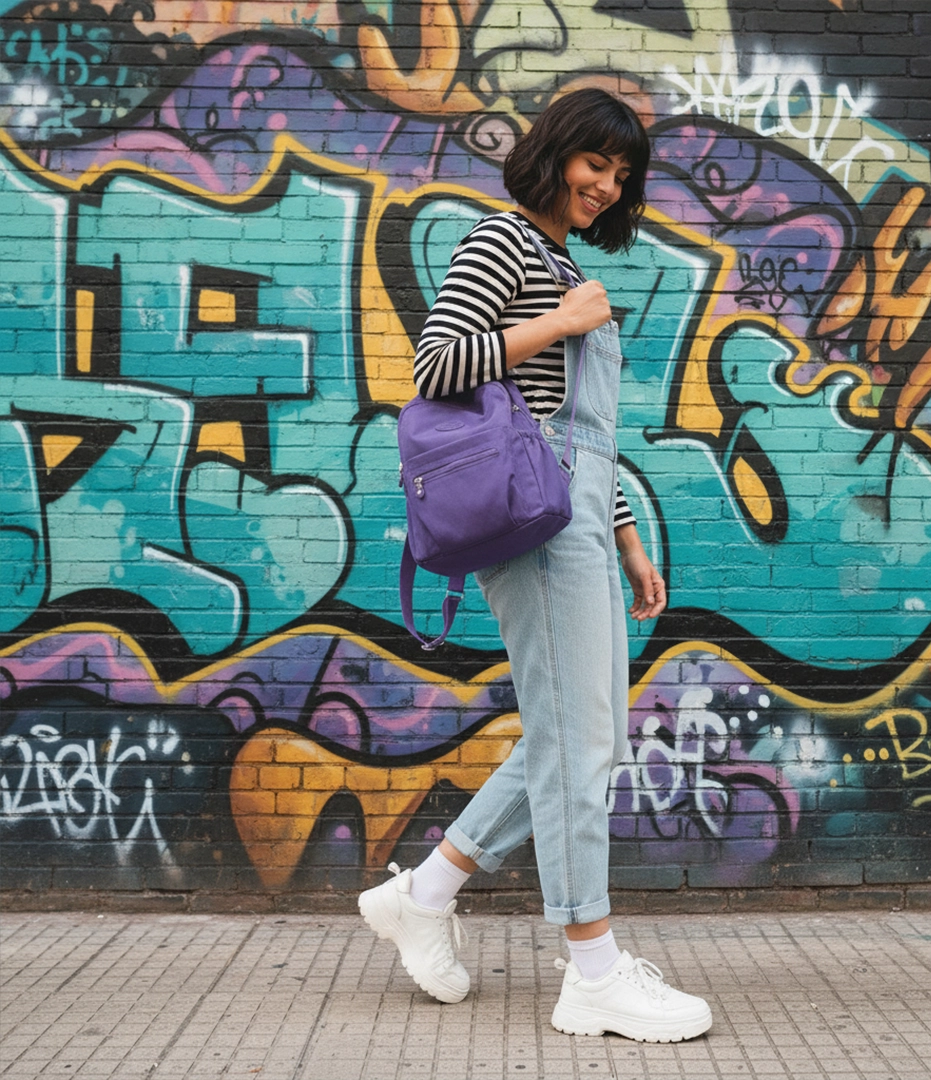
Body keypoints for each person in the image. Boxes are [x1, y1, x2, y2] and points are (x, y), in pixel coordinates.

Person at [359, 87, 712, 1043]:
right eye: (595, 163)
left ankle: (422, 896)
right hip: (541, 525)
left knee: (578, 736)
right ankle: (591, 967)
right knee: (575, 741)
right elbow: (438, 363)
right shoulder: (502, 239)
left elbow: (571, 429)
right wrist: (561, 321)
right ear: (556, 152)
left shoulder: (557, 258)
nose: (606, 185)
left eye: (622, 174)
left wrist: (629, 536)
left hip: (584, 514)